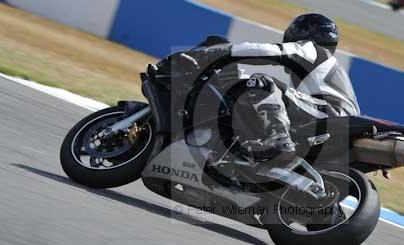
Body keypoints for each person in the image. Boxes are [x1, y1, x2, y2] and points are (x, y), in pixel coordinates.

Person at [153, 13, 360, 162]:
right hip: (332, 119)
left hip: (333, 114)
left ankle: (279, 141)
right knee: (259, 94)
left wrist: (223, 52)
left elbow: (268, 52)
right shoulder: (321, 70)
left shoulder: (311, 50)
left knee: (261, 82)